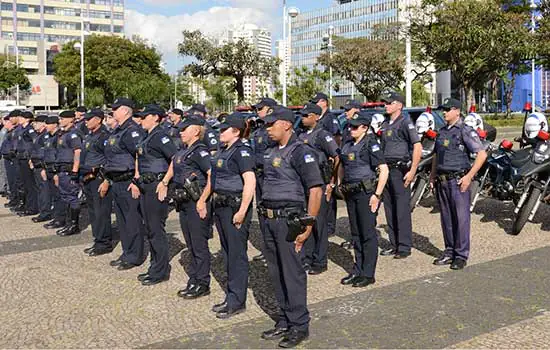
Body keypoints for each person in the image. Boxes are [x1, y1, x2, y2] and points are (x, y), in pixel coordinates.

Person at [258, 106, 323, 348]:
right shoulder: (270, 151)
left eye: (271, 124)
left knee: (292, 274)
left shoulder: (300, 152)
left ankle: (299, 325)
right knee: (276, 272)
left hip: (289, 221)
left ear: (286, 124)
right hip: (269, 219)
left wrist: (308, 225)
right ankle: (284, 320)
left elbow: (315, 189)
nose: (267, 129)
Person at [430, 98, 487, 270]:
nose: (444, 112)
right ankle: (449, 251)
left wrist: (469, 176)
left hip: (458, 181)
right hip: (442, 180)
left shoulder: (464, 130)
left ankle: (461, 255)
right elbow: (435, 155)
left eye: (447, 109)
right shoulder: (441, 132)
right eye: (443, 110)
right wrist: (432, 176)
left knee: (461, 219)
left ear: (457, 111)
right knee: (446, 218)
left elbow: (482, 154)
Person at [160, 116, 213, 299]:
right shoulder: (184, 151)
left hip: (195, 202)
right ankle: (195, 278)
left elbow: (212, 174)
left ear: (196, 131)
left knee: (199, 245)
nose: (180, 132)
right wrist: (165, 182)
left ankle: (203, 283)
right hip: (183, 202)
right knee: (190, 243)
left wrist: (203, 200)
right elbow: (174, 166)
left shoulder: (200, 151)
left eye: (184, 129)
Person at [209, 112, 256, 319]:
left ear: (235, 131)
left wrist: (242, 211)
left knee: (236, 255)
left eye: (224, 129)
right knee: (228, 254)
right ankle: (231, 296)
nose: (220, 132)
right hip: (221, 207)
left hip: (235, 208)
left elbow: (250, 182)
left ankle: (237, 301)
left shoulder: (242, 152)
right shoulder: (224, 150)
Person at [338, 111, 389, 287]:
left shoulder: (370, 144)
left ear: (365, 128)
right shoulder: (347, 144)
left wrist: (377, 195)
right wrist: (339, 184)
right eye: (350, 125)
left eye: (354, 126)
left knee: (367, 234)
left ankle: (368, 273)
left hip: (366, 194)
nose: (351, 129)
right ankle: (358, 269)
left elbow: (384, 169)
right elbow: (342, 166)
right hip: (351, 193)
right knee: (356, 234)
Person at [132, 105, 177, 285]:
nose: (141, 120)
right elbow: (139, 158)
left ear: (155, 118)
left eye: (144, 117)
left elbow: (175, 159)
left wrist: (165, 182)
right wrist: (136, 178)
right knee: (150, 228)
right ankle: (154, 266)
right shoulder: (147, 136)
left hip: (156, 186)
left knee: (156, 229)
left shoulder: (161, 137)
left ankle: (160, 270)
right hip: (145, 184)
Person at [100, 98, 146, 271]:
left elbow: (139, 155)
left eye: (116, 109)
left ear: (126, 111)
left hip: (128, 181)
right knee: (122, 220)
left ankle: (135, 255)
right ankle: (127, 252)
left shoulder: (132, 131)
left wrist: (136, 179)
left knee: (132, 219)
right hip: (117, 180)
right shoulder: (118, 130)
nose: (113, 112)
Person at [298, 103, 340, 275]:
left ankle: (320, 261)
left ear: (316, 116)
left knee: (319, 224)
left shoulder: (323, 135)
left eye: (306, 115)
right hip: (304, 185)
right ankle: (307, 258)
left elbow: (336, 157)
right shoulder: (300, 135)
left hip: (319, 184)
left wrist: (331, 182)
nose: (303, 118)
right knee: (306, 221)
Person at [379, 92, 422, 259]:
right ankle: (393, 243)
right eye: (385, 103)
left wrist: (412, 171)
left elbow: (417, 146)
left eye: (390, 103)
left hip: (400, 170)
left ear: (399, 105)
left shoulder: (405, 122)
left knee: (402, 209)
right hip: (386, 170)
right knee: (389, 208)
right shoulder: (385, 123)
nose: (386, 105)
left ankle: (404, 246)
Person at [80, 109, 113, 257]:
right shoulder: (89, 136)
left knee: (101, 212)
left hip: (99, 178)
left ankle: (104, 242)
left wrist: (106, 180)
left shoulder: (104, 137)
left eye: (89, 119)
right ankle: (97, 239)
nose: (86, 121)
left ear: (99, 120)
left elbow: (110, 159)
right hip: (88, 178)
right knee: (93, 212)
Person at [250, 97, 278, 264]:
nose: (257, 111)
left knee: (272, 214)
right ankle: (268, 249)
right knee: (262, 213)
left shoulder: (274, 129)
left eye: (260, 108)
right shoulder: (259, 129)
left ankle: (275, 250)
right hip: (259, 174)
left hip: (271, 175)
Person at [311, 92, 340, 237]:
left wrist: (333, 157)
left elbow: (336, 138)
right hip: (317, 163)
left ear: (324, 102)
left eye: (317, 101)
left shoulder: (330, 119)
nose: (315, 104)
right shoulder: (317, 118)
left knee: (329, 194)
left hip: (328, 161)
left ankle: (329, 225)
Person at [53, 110, 83, 236]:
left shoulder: (74, 134)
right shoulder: (63, 134)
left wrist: (75, 170)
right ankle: (68, 223)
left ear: (71, 119)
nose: (60, 121)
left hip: (69, 170)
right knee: (65, 197)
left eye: (63, 119)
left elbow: (78, 151)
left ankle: (74, 225)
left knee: (72, 197)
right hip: (62, 169)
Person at [43, 117, 65, 230]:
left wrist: (57, 172)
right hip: (48, 168)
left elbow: (59, 155)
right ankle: (56, 217)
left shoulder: (58, 137)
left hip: (55, 169)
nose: (45, 126)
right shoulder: (49, 137)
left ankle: (60, 219)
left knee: (59, 196)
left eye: (48, 124)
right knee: (54, 195)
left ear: (54, 125)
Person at [29, 115, 52, 223]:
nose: (34, 125)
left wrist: (43, 167)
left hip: (41, 166)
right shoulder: (39, 135)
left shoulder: (45, 136)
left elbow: (45, 153)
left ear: (43, 123)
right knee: (40, 189)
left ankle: (45, 213)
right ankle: (42, 210)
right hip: (36, 165)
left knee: (44, 190)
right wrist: (31, 160)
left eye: (37, 122)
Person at [16, 111, 39, 217]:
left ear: (27, 119)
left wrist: (31, 157)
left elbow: (35, 142)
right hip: (21, 158)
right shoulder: (22, 129)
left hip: (27, 158)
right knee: (25, 184)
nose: (19, 118)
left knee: (30, 184)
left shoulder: (29, 129)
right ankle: (28, 206)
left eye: (22, 117)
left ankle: (32, 208)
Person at [1, 114, 18, 208]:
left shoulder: (13, 132)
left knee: (14, 181)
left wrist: (11, 155)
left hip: (12, 159)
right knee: (11, 181)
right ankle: (14, 198)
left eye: (6, 121)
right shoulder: (8, 132)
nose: (4, 124)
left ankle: (16, 199)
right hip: (7, 158)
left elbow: (14, 147)